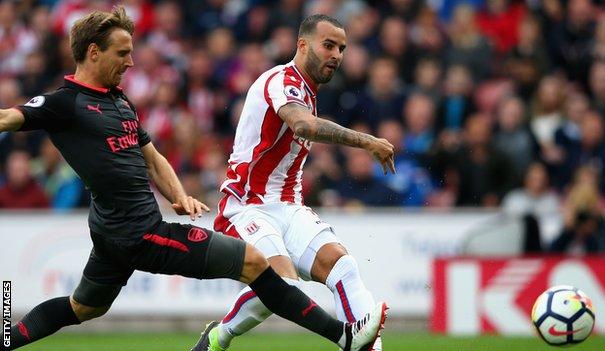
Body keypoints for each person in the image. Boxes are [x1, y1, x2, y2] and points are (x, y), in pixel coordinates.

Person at [0, 7, 386, 351]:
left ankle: (4, 336)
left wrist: (179, 196)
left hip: (112, 233)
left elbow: (153, 158)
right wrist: (366, 142)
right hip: (141, 234)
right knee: (255, 263)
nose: (131, 62)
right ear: (93, 52)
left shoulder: (119, 101)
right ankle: (343, 337)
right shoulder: (64, 103)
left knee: (81, 307)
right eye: (123, 53)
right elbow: (8, 117)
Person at [195, 14, 395, 351]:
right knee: (282, 283)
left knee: (342, 265)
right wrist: (367, 141)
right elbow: (303, 126)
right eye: (328, 45)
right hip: (247, 206)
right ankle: (219, 336)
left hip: (289, 205)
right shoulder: (281, 80)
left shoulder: (309, 91)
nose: (337, 55)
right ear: (302, 45)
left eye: (342, 48)